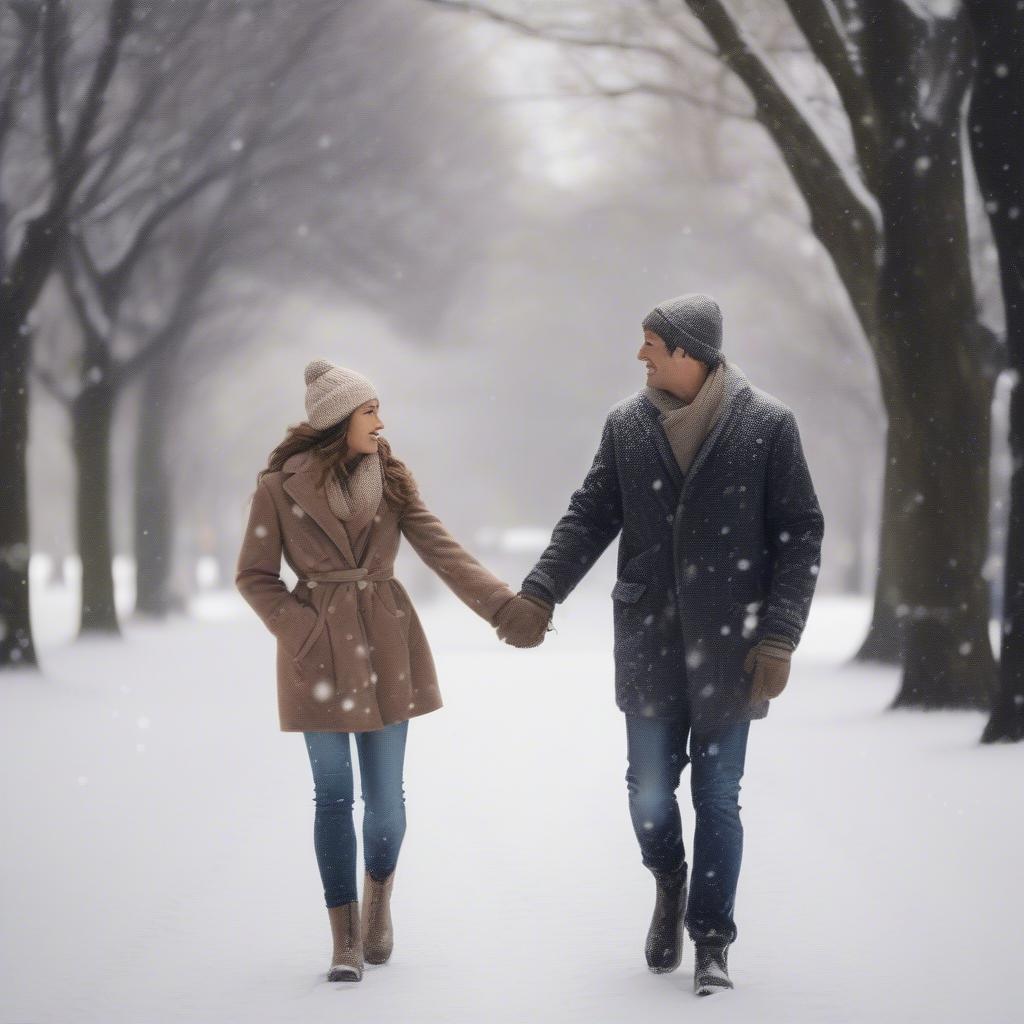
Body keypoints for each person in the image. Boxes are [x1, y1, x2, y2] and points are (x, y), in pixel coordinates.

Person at [498, 293, 825, 996]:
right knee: (648, 793)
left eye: (651, 342)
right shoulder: (626, 426)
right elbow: (590, 515)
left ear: (687, 351)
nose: (640, 354)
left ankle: (711, 941)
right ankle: (669, 881)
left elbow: (800, 533)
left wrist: (780, 636)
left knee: (718, 795)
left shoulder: (767, 426)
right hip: (648, 639)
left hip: (734, 646)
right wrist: (540, 591)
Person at [234, 359, 538, 982]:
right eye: (369, 411)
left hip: (385, 645)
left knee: (385, 800)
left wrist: (503, 607)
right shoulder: (277, 486)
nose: (380, 422)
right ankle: (343, 939)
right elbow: (255, 575)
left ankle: (378, 907)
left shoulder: (393, 481)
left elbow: (441, 549)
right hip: (315, 655)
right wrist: (302, 628)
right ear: (338, 422)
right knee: (332, 796)